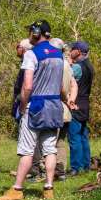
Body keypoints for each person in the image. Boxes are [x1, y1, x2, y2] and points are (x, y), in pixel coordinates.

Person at [0, 20, 67, 200]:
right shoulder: (59, 55)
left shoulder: (31, 55)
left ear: (36, 33)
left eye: (30, 31)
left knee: (27, 150)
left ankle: (17, 189)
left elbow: (27, 86)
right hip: (54, 106)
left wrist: (21, 105)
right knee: (50, 149)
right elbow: (60, 86)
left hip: (35, 106)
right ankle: (49, 188)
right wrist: (65, 100)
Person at [32, 38, 77, 181]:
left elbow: (60, 87)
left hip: (54, 107)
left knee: (47, 143)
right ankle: (61, 172)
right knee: (60, 142)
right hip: (65, 109)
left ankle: (45, 173)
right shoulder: (68, 65)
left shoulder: (55, 63)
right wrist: (71, 101)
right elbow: (74, 85)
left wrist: (65, 98)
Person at [67, 40, 94, 175]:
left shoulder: (77, 67)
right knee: (83, 136)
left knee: (74, 137)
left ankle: (75, 168)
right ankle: (86, 165)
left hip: (76, 103)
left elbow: (67, 81)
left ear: (77, 51)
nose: (70, 50)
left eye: (72, 48)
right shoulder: (90, 66)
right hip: (85, 103)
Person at [12, 39, 33, 120]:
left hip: (24, 104)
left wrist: (21, 103)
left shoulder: (28, 65)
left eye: (18, 47)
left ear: (23, 49)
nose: (17, 49)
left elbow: (27, 86)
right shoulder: (27, 63)